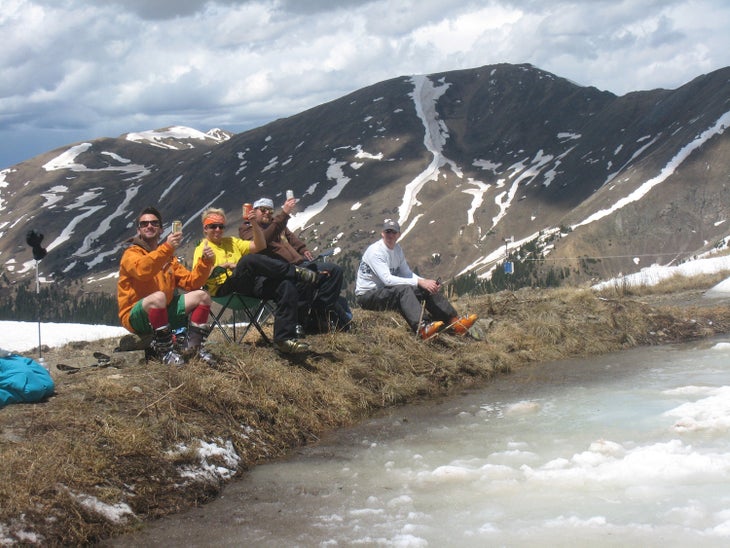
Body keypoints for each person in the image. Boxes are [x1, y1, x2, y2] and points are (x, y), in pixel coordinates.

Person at [192, 207, 318, 354]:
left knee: (285, 285)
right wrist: (224, 265)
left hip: (247, 283)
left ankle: (283, 339)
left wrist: (254, 224)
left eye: (221, 226)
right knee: (248, 260)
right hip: (224, 287)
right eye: (213, 226)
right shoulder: (202, 248)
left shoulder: (231, 242)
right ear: (205, 228)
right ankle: (295, 272)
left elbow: (260, 245)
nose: (218, 229)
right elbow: (198, 278)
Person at [117, 206, 216, 365]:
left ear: (161, 229)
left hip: (163, 312)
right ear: (139, 230)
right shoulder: (131, 254)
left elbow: (192, 283)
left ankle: (194, 349)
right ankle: (165, 352)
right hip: (135, 316)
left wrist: (205, 262)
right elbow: (143, 270)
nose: (149, 226)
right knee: (158, 297)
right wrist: (167, 248)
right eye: (144, 224)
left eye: (154, 223)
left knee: (202, 296)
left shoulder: (168, 258)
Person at [239, 197, 351, 332]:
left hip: (300, 263)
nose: (267, 213)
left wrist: (303, 249)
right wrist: (283, 215)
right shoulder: (248, 229)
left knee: (334, 271)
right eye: (263, 210)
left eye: (270, 210)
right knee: (304, 277)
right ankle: (299, 321)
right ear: (254, 211)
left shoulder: (278, 225)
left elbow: (293, 239)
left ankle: (320, 315)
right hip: (281, 271)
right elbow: (262, 243)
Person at [355, 219, 478, 339]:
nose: (390, 235)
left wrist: (427, 283)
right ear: (382, 233)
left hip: (386, 293)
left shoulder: (397, 250)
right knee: (402, 290)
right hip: (367, 296)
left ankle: (454, 322)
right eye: (388, 231)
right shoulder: (376, 251)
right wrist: (420, 282)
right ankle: (423, 328)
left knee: (425, 289)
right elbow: (387, 280)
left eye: (393, 232)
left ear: (398, 234)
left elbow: (407, 274)